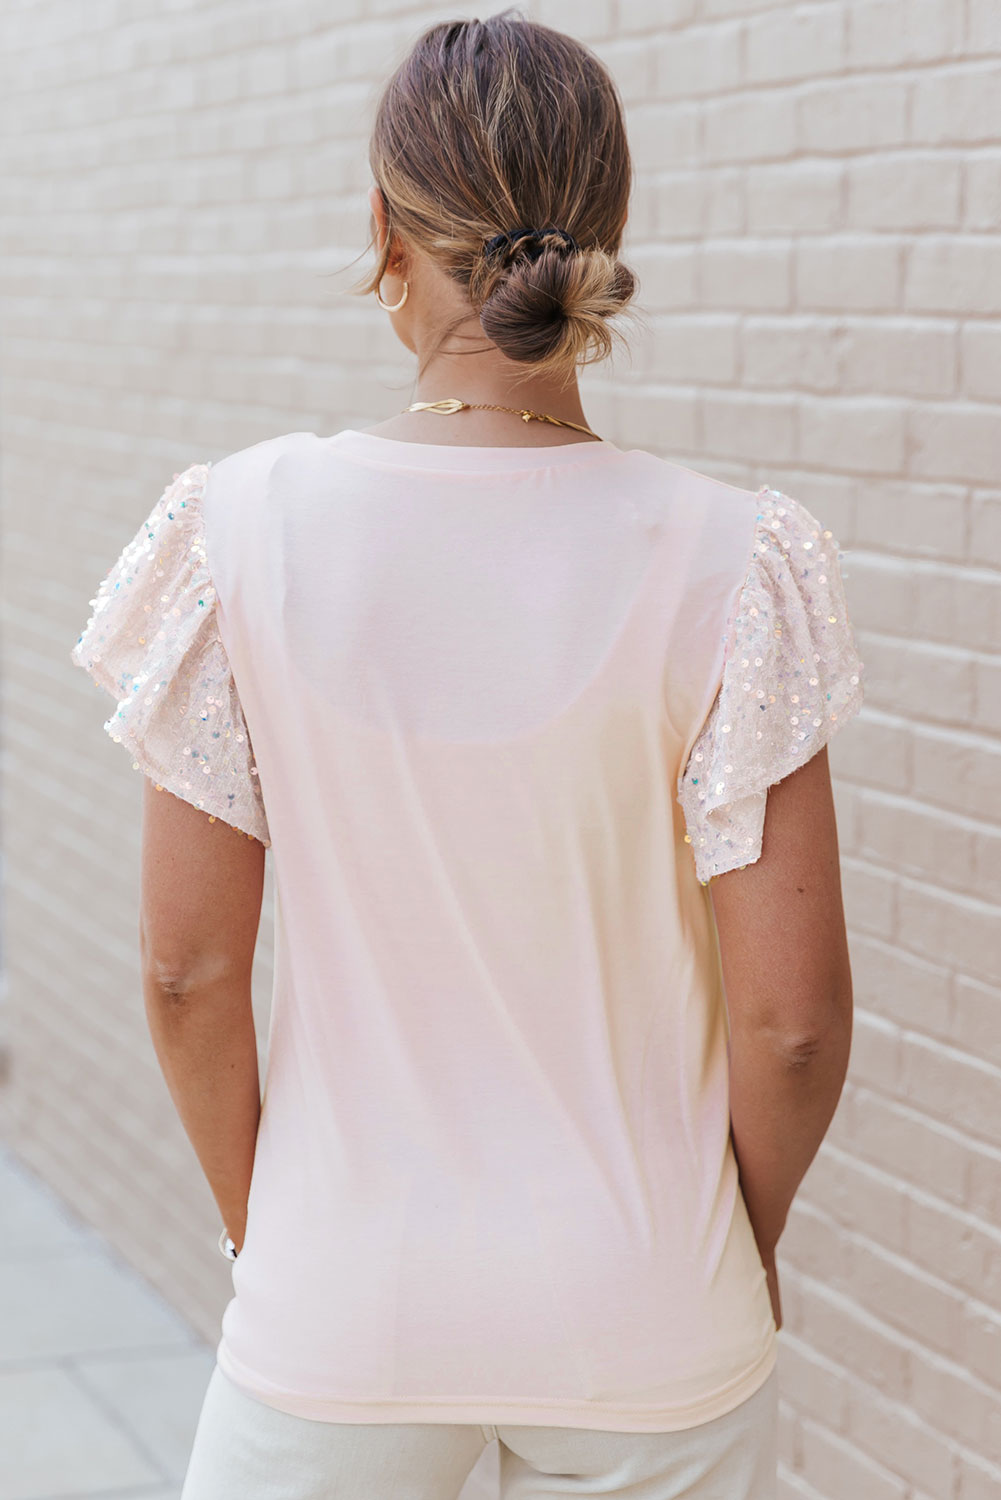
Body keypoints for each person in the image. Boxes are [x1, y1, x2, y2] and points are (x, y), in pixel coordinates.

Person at [69, 11, 863, 1500]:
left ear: (381, 228)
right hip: (645, 1299)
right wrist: (718, 1252)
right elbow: (796, 1021)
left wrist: (273, 1234)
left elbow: (186, 977)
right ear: (607, 234)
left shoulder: (235, 534)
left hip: (342, 1304)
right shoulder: (731, 557)